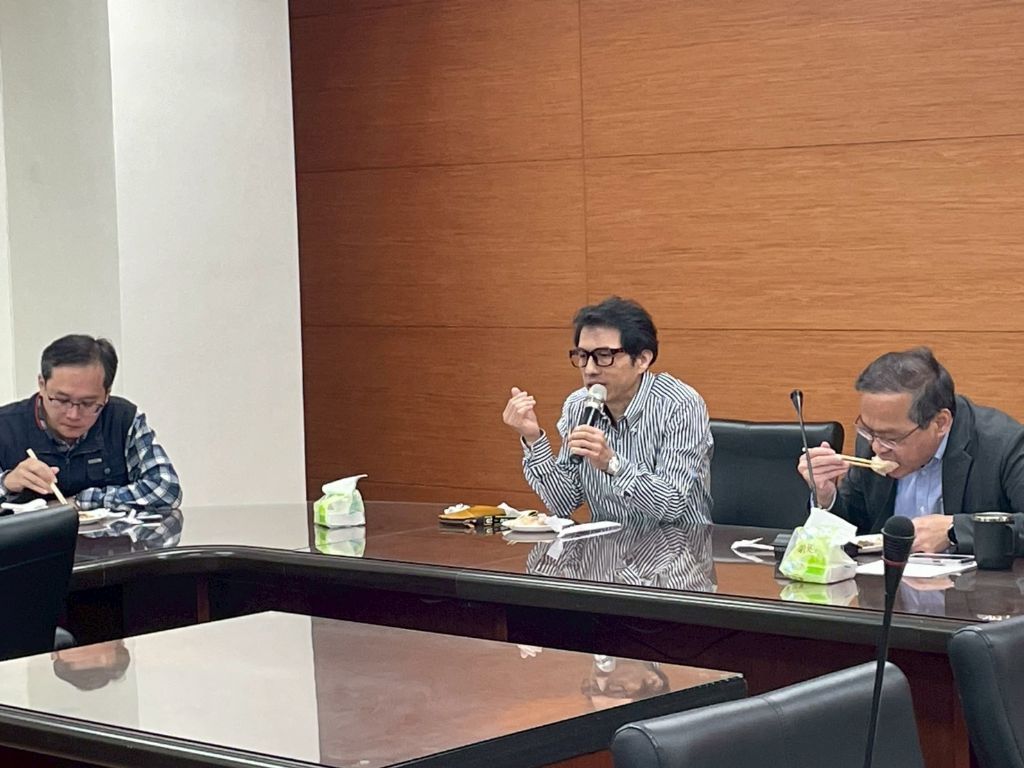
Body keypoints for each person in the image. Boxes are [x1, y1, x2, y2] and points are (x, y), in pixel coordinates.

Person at [502, 296, 712, 524]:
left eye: (604, 356)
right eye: (583, 356)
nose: (590, 369)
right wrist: (533, 439)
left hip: (677, 543)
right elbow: (563, 503)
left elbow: (672, 505)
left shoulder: (679, 405)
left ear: (642, 360)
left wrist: (612, 463)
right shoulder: (578, 405)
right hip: (605, 544)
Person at [797, 346, 1024, 554]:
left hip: (978, 585)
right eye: (868, 431)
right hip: (887, 581)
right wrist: (826, 497)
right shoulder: (873, 439)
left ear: (940, 423)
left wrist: (954, 530)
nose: (877, 447)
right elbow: (856, 530)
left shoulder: (1003, 444)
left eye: (891, 438)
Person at [0, 335, 181, 511]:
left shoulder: (122, 419)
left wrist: (83, 501)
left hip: (112, 533)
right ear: (42, 384)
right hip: (32, 533)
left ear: (107, 394)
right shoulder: (5, 425)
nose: (73, 414)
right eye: (62, 400)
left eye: (88, 403)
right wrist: (6, 483)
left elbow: (166, 489)